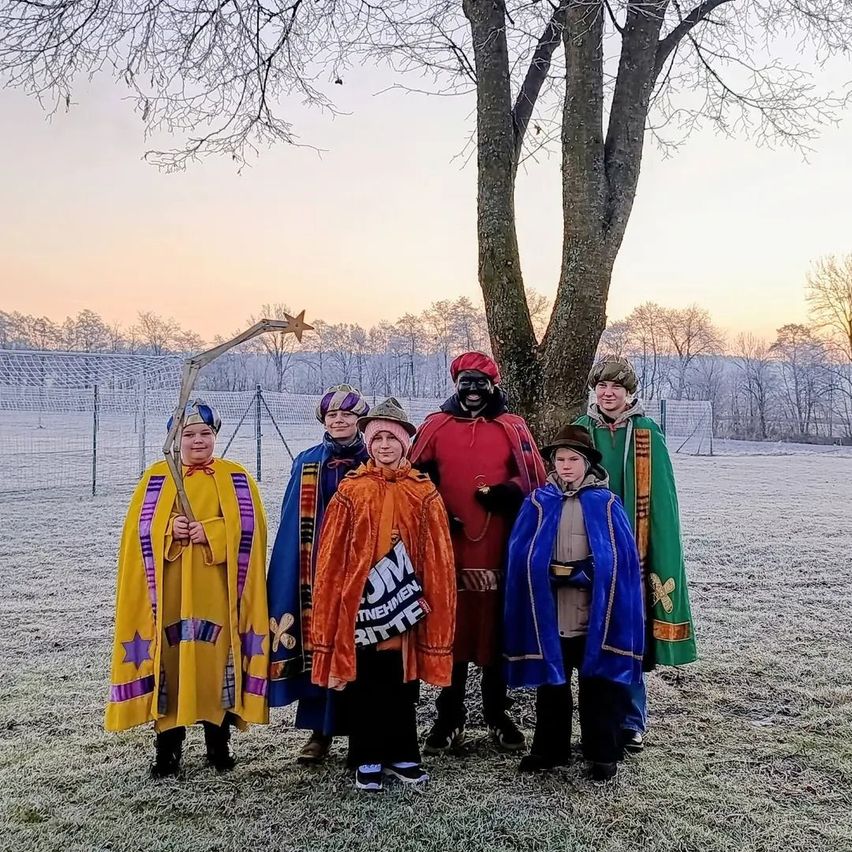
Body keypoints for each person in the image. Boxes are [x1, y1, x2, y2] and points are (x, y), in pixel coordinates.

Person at [106, 400, 269, 776]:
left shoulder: (236, 477)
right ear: (175, 438)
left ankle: (218, 741)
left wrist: (212, 531)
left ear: (216, 437)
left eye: (205, 434)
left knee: (215, 664)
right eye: (189, 434)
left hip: (219, 594)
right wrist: (169, 531)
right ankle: (168, 748)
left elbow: (252, 532)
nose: (198, 441)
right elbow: (136, 535)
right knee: (172, 662)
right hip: (171, 594)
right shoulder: (157, 478)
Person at [310, 398, 456, 792]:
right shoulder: (352, 490)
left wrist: (430, 597)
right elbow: (332, 552)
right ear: (368, 443)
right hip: (361, 604)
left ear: (405, 443)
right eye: (377, 439)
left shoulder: (422, 492)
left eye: (392, 438)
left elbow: (437, 555)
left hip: (405, 604)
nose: (385, 446)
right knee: (366, 682)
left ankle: (403, 753)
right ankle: (366, 756)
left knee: (401, 684)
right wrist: (339, 595)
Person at [409, 351, 545, 754]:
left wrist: (509, 493)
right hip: (446, 545)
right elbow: (415, 474)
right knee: (452, 626)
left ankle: (497, 713)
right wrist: (434, 510)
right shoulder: (435, 425)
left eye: (480, 384)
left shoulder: (513, 427)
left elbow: (534, 477)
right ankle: (448, 716)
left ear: (493, 386)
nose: (472, 392)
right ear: (456, 385)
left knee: (493, 627)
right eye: (465, 384)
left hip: (498, 543)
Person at [503, 425, 645, 782]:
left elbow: (620, 561)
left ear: (586, 464)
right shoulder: (538, 503)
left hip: (593, 616)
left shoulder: (607, 503)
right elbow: (520, 555)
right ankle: (549, 749)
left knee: (598, 686)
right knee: (553, 685)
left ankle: (603, 752)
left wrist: (588, 572)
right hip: (551, 615)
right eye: (560, 459)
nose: (566, 466)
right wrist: (544, 571)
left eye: (573, 460)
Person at [574, 355, 698, 752]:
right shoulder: (579, 431)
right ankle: (595, 723)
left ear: (630, 394)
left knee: (628, 633)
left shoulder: (647, 432)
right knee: (587, 634)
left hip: (634, 551)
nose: (608, 394)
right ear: (594, 390)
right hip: (589, 550)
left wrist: (659, 550)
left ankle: (631, 721)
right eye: (602, 386)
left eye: (617, 388)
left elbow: (663, 501)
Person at [267, 385, 370, 764]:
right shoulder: (308, 460)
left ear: (360, 419)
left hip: (361, 567)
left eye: (346, 415)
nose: (339, 421)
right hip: (315, 570)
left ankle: (364, 732)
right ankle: (319, 732)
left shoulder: (374, 458)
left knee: (361, 647)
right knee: (319, 646)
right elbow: (292, 519)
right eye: (332, 416)